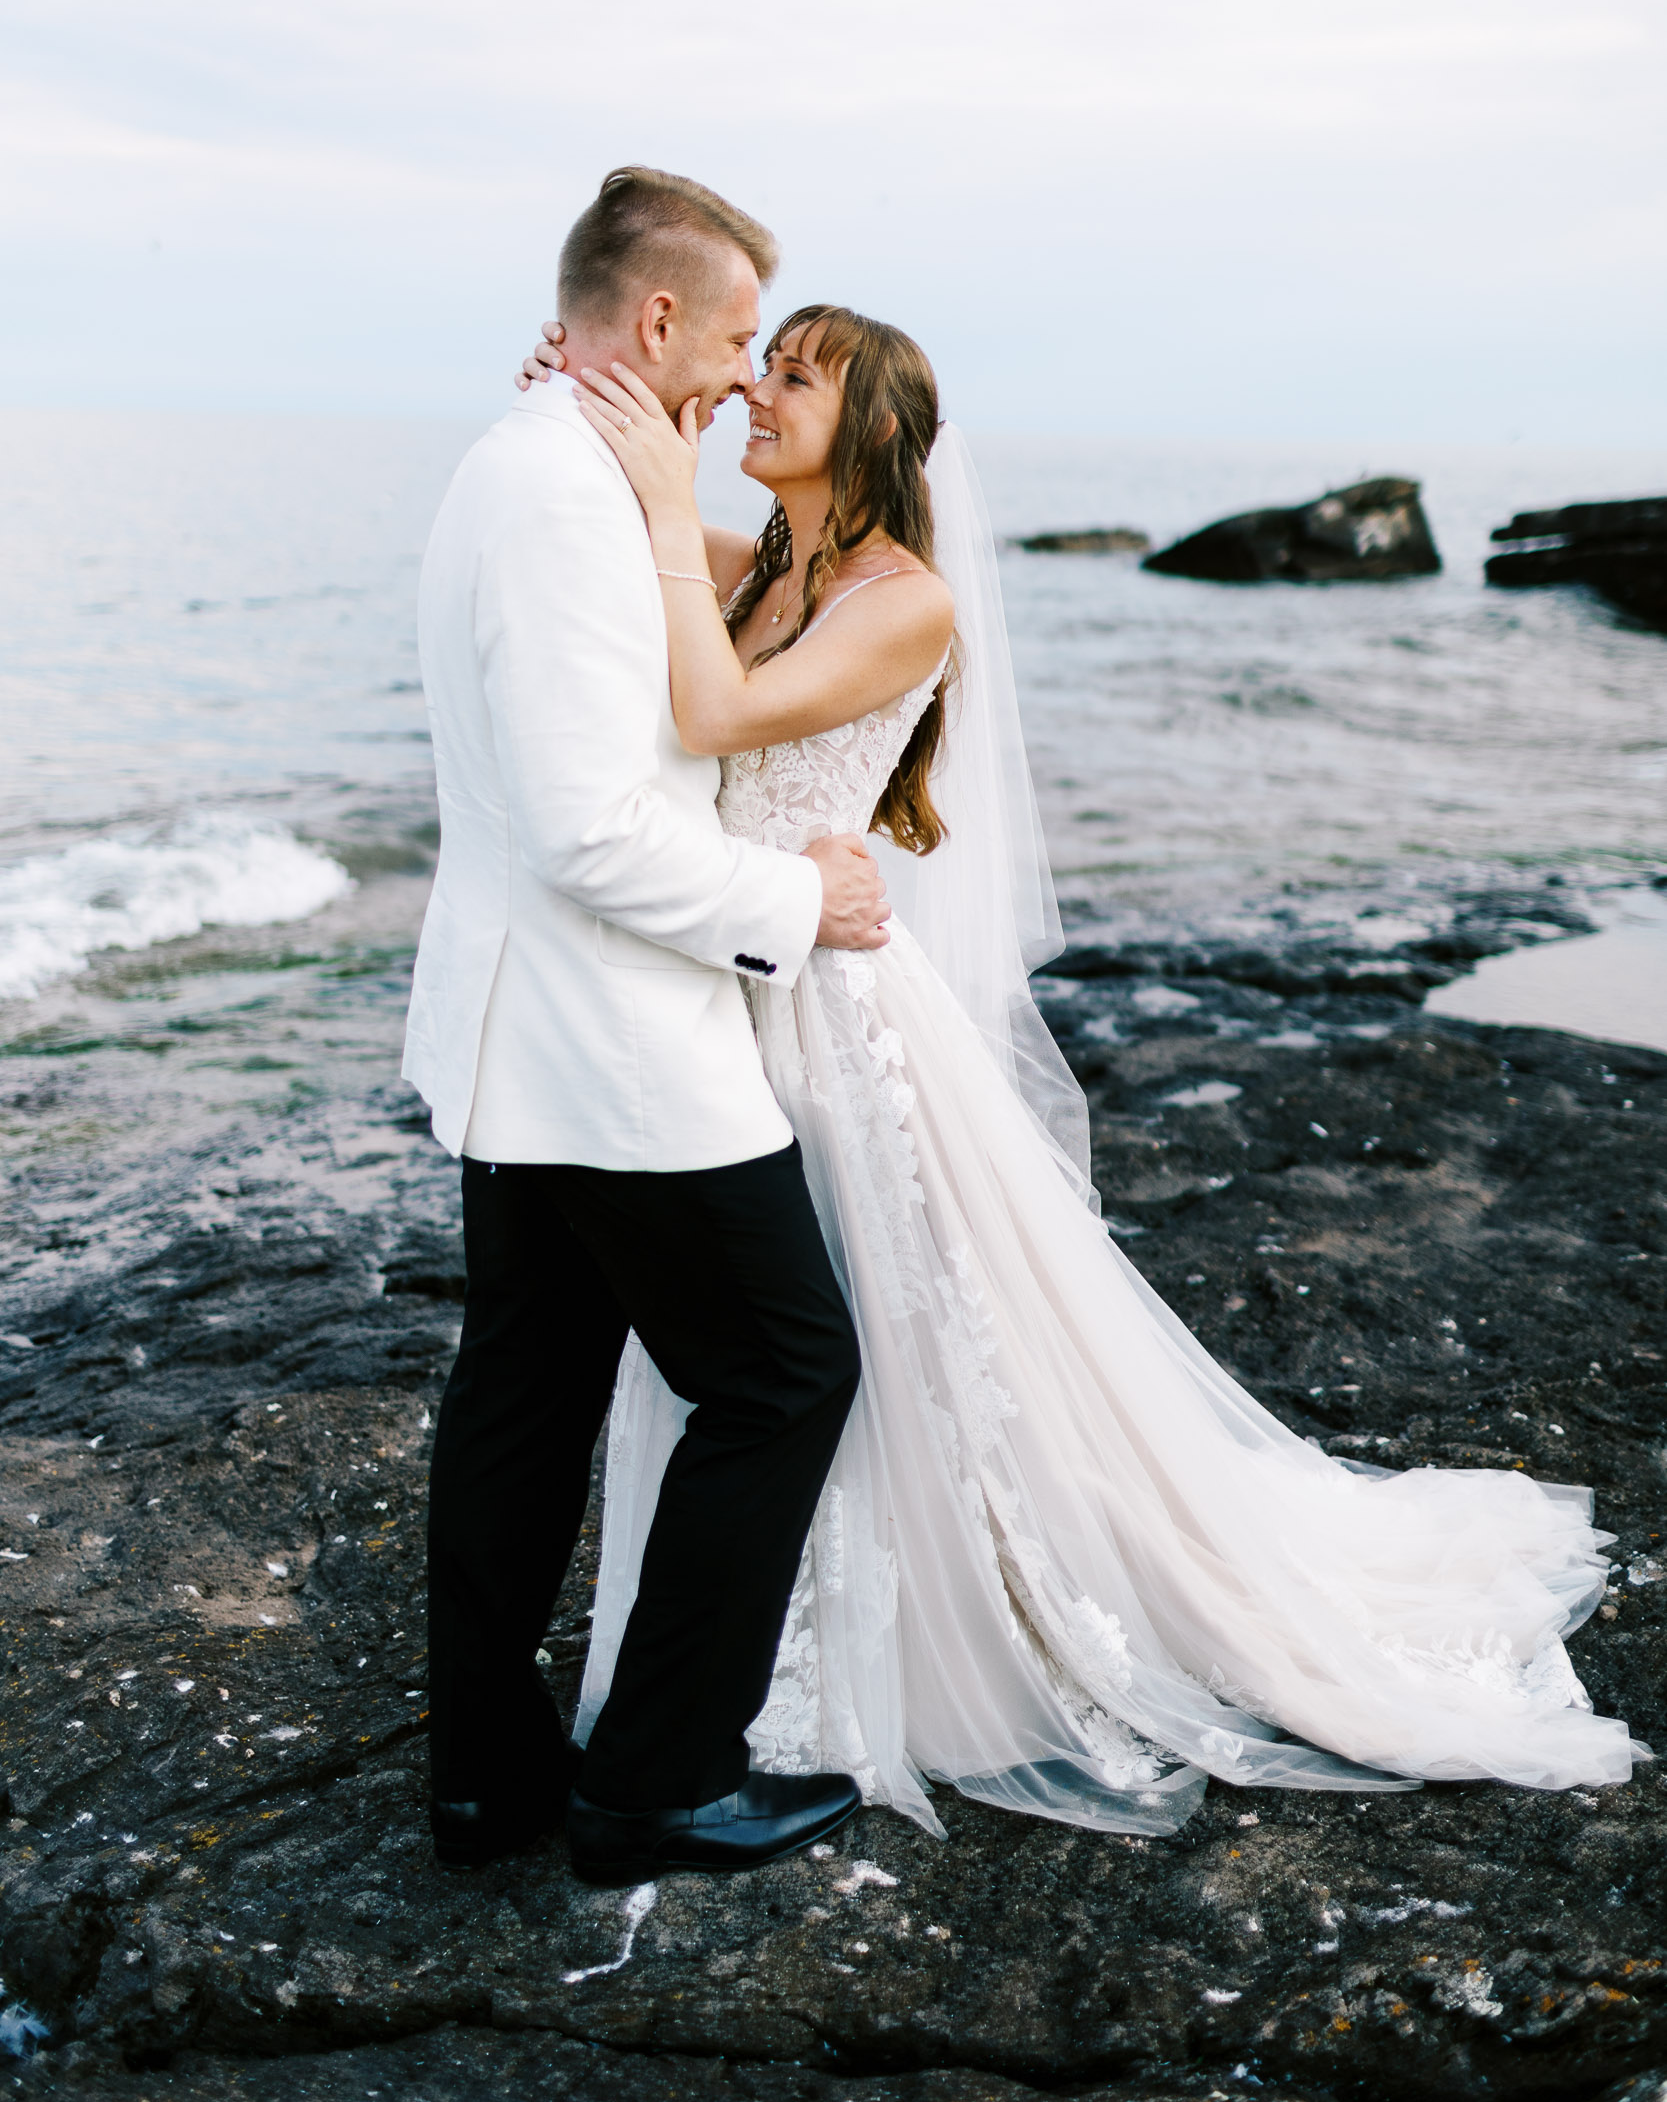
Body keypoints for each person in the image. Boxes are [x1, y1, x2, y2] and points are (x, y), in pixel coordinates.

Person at [521, 300, 1644, 1836]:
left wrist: (663, 493)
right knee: (771, 1348)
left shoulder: (902, 602)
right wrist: (590, 406)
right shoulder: (768, 566)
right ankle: (745, 1648)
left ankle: (921, 1629)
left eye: (798, 376)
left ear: (877, 430)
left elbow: (712, 708)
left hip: (833, 1014)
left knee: (863, 1335)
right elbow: (628, 572)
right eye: (761, 364)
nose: (762, 392)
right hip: (734, 990)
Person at [406, 168, 893, 1888]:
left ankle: (488, 1784)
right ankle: (658, 1783)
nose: (747, 375)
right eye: (739, 335)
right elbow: (585, 827)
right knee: (784, 1373)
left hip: (523, 1036)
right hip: (614, 1049)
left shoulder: (536, 463)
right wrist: (797, 909)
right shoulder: (556, 497)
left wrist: (652, 455)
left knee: (527, 1392)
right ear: (663, 318)